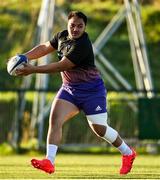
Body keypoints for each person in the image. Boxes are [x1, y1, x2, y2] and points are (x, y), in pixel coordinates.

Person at [14, 11, 136, 175]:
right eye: (72, 25)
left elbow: (61, 66)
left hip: (92, 91)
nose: (76, 29)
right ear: (67, 24)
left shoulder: (83, 44)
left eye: (80, 26)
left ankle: (128, 153)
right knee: (55, 119)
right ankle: (49, 161)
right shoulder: (62, 36)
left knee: (99, 128)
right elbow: (44, 47)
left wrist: (33, 69)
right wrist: (23, 57)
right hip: (70, 89)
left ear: (85, 28)